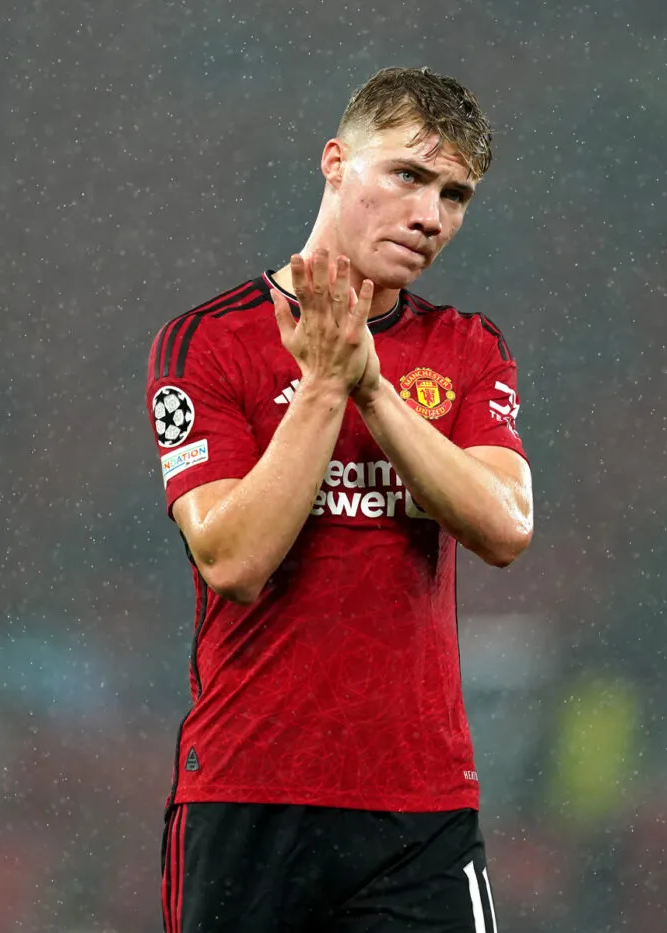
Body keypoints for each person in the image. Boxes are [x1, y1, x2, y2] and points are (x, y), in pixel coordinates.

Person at [145, 65, 533, 933]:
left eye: (455, 194)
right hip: (249, 796)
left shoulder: (465, 348)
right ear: (334, 162)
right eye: (407, 175)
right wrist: (326, 383)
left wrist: (372, 390)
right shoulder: (208, 342)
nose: (431, 216)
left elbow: (507, 526)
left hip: (418, 810)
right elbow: (234, 559)